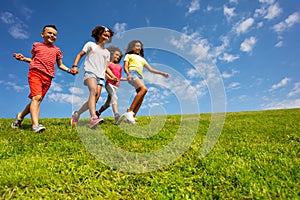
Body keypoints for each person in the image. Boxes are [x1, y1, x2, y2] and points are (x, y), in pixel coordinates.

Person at [11, 25, 78, 133]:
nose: (52, 35)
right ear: (42, 34)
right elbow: (33, 60)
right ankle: (35, 126)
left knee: (37, 100)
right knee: (36, 98)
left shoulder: (57, 50)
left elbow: (60, 65)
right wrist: (23, 59)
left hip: (48, 77)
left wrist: (70, 71)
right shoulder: (36, 46)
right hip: (35, 73)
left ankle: (20, 116)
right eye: (49, 33)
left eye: (54, 34)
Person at [70, 26, 117, 128]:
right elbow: (80, 55)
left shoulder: (107, 53)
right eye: (105, 35)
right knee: (93, 91)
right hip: (90, 72)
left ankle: (77, 114)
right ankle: (93, 118)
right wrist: (75, 65)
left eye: (108, 36)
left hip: (101, 76)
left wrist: (112, 77)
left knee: (94, 99)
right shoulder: (90, 45)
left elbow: (106, 67)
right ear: (99, 35)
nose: (106, 38)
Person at [119, 40, 169, 124]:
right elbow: (125, 66)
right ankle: (130, 111)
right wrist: (128, 74)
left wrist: (162, 73)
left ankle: (132, 117)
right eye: (136, 46)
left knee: (141, 97)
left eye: (140, 46)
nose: (139, 48)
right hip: (132, 74)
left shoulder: (142, 59)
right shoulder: (129, 55)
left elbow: (150, 69)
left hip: (140, 77)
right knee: (144, 89)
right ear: (132, 47)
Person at [95, 46, 127, 124]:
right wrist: (111, 78)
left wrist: (127, 79)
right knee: (114, 98)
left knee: (107, 104)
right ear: (111, 55)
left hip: (116, 86)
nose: (117, 57)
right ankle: (116, 116)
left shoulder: (119, 67)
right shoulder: (108, 64)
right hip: (109, 84)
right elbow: (105, 73)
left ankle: (98, 113)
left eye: (119, 56)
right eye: (116, 55)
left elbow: (119, 78)